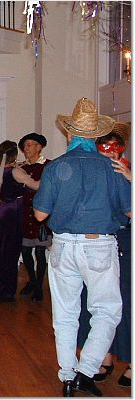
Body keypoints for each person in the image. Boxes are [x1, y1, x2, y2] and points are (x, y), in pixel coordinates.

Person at [33, 98, 131, 397]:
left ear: (69, 133)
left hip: (63, 246)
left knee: (65, 314)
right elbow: (131, 211)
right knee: (106, 312)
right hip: (99, 244)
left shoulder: (56, 167)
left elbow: (40, 214)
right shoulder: (112, 167)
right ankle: (86, 371)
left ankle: (67, 375)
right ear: (96, 135)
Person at [76, 123, 132, 388]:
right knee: (95, 301)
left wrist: (130, 179)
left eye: (115, 146)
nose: (110, 151)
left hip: (127, 241)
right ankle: (103, 355)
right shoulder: (93, 171)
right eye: (104, 146)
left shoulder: (127, 170)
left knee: (127, 300)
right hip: (100, 242)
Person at [0, 141, 40, 302]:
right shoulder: (15, 172)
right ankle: (5, 291)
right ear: (14, 155)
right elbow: (35, 185)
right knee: (10, 252)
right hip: (12, 214)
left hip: (1, 213)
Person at [16, 132, 51, 302]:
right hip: (25, 214)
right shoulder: (20, 168)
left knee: (40, 251)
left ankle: (38, 287)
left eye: (29, 145)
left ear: (39, 147)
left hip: (41, 215)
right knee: (25, 250)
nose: (26, 149)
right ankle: (32, 280)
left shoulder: (49, 166)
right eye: (24, 146)